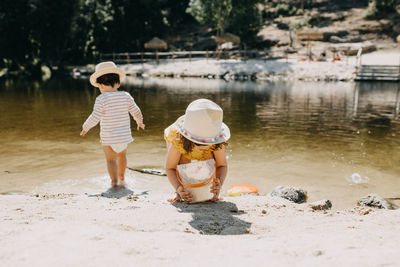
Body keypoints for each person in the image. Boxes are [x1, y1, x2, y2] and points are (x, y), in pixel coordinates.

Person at [80, 61, 145, 187]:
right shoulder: (126, 96)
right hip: (123, 137)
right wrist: (140, 122)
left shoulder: (101, 99)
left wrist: (85, 127)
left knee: (110, 160)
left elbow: (95, 117)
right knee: (122, 156)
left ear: (100, 85)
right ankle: (122, 177)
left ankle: (114, 182)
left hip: (109, 138)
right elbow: (136, 111)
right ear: (118, 83)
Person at [164, 99, 230, 203]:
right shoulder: (178, 141)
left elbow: (222, 165)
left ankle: (211, 191)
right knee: (182, 159)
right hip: (185, 148)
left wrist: (219, 184)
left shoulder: (216, 142)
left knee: (209, 159)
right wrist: (178, 188)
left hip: (207, 155)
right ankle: (180, 193)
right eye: (198, 142)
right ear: (188, 137)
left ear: (215, 138)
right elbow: (170, 168)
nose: (203, 146)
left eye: (207, 143)